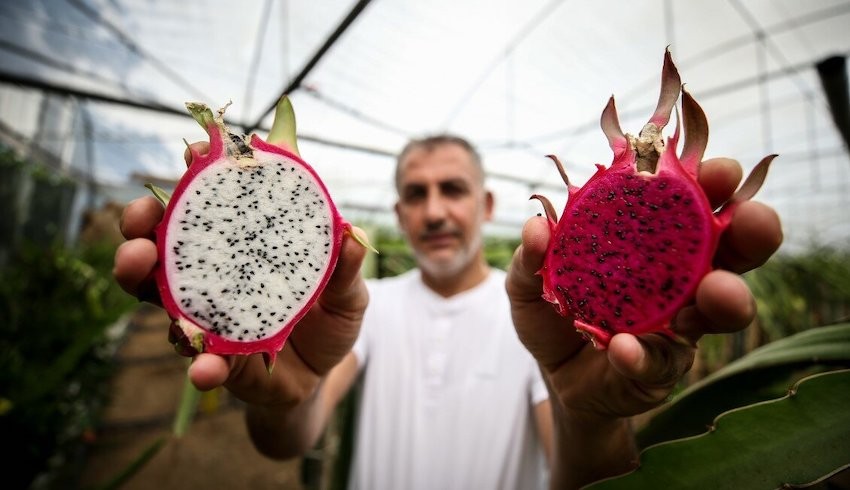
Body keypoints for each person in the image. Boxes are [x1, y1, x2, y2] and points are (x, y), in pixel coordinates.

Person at [113, 134, 782, 489]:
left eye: (453, 190)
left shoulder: (547, 322)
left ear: (487, 207)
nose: (434, 210)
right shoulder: (360, 311)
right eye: (416, 194)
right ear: (400, 214)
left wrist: (590, 416)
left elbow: (578, 480)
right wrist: (277, 399)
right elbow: (288, 440)